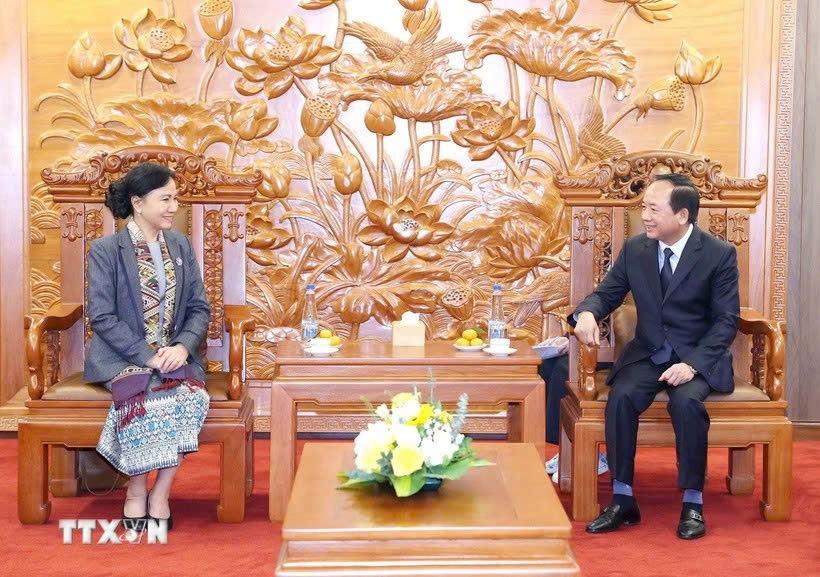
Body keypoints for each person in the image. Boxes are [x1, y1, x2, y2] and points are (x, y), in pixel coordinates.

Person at [569, 172, 739, 540]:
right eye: (643, 207)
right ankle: (622, 499)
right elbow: (607, 293)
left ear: (682, 216)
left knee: (687, 404)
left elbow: (726, 321)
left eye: (652, 209)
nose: (644, 215)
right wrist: (586, 313)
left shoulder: (718, 254)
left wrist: (692, 364)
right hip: (648, 352)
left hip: (696, 356)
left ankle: (693, 503)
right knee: (621, 397)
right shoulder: (636, 249)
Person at [85, 162, 211, 531]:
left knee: (190, 396)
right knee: (148, 394)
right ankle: (136, 491)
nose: (174, 207)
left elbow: (199, 308)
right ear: (138, 203)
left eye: (177, 199)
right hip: (125, 356)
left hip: (175, 357)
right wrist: (147, 355)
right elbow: (103, 316)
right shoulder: (106, 250)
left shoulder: (181, 245)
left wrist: (184, 347)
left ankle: (161, 493)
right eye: (166, 199)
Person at [539, 339, 609, 483]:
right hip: (591, 342)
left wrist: (581, 343)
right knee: (547, 364)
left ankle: (582, 455)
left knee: (564, 368)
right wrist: (566, 339)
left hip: (616, 348)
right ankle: (566, 450)